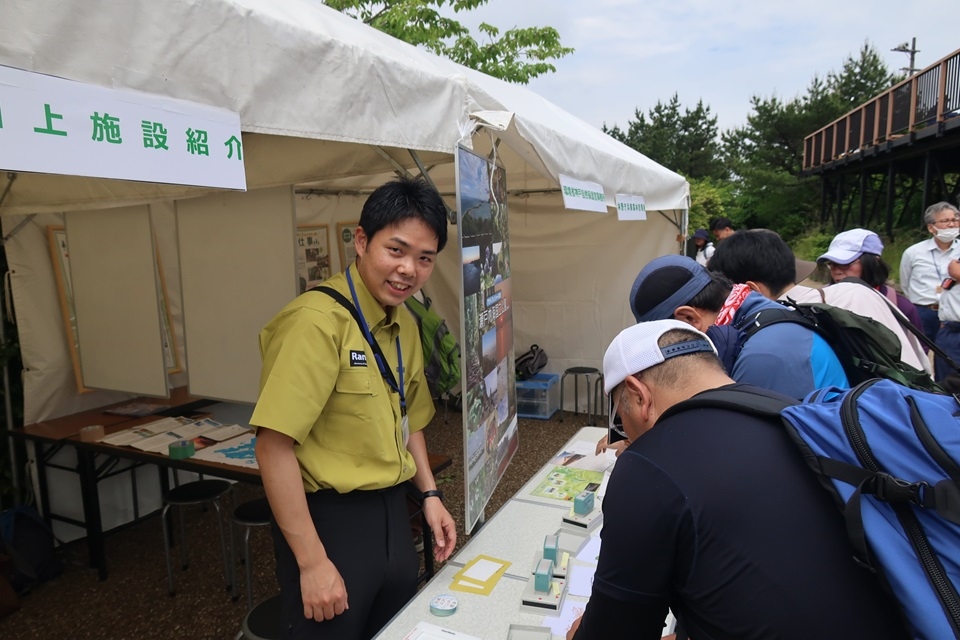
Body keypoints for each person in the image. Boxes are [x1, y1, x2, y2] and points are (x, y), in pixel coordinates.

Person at [567, 321, 905, 640]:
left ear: (639, 395)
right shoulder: (793, 415)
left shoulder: (648, 466)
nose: (626, 436)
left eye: (620, 420)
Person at [251, 176, 457, 640]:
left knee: (393, 630)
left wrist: (429, 494)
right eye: (396, 250)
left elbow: (409, 418)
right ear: (361, 241)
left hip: (393, 512)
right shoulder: (315, 323)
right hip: (330, 524)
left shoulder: (405, 323)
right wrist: (312, 563)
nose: (408, 269)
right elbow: (272, 447)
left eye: (425, 258)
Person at [710, 229, 931, 374]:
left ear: (750, 290)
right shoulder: (854, 294)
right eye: (832, 264)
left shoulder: (771, 330)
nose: (838, 270)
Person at [629, 254, 848, 399]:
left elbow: (745, 444)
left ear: (689, 318)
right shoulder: (751, 312)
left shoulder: (763, 355)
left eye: (666, 341)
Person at [818, 228, 923, 331]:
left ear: (874, 262)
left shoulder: (901, 307)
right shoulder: (820, 300)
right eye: (831, 264)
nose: (837, 271)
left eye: (845, 264)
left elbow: (916, 342)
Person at [900, 201, 960, 343]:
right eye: (945, 221)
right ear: (931, 227)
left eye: (955, 220)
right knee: (919, 351)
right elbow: (905, 284)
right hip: (924, 312)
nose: (951, 225)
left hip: (954, 315)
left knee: (948, 354)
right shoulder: (913, 252)